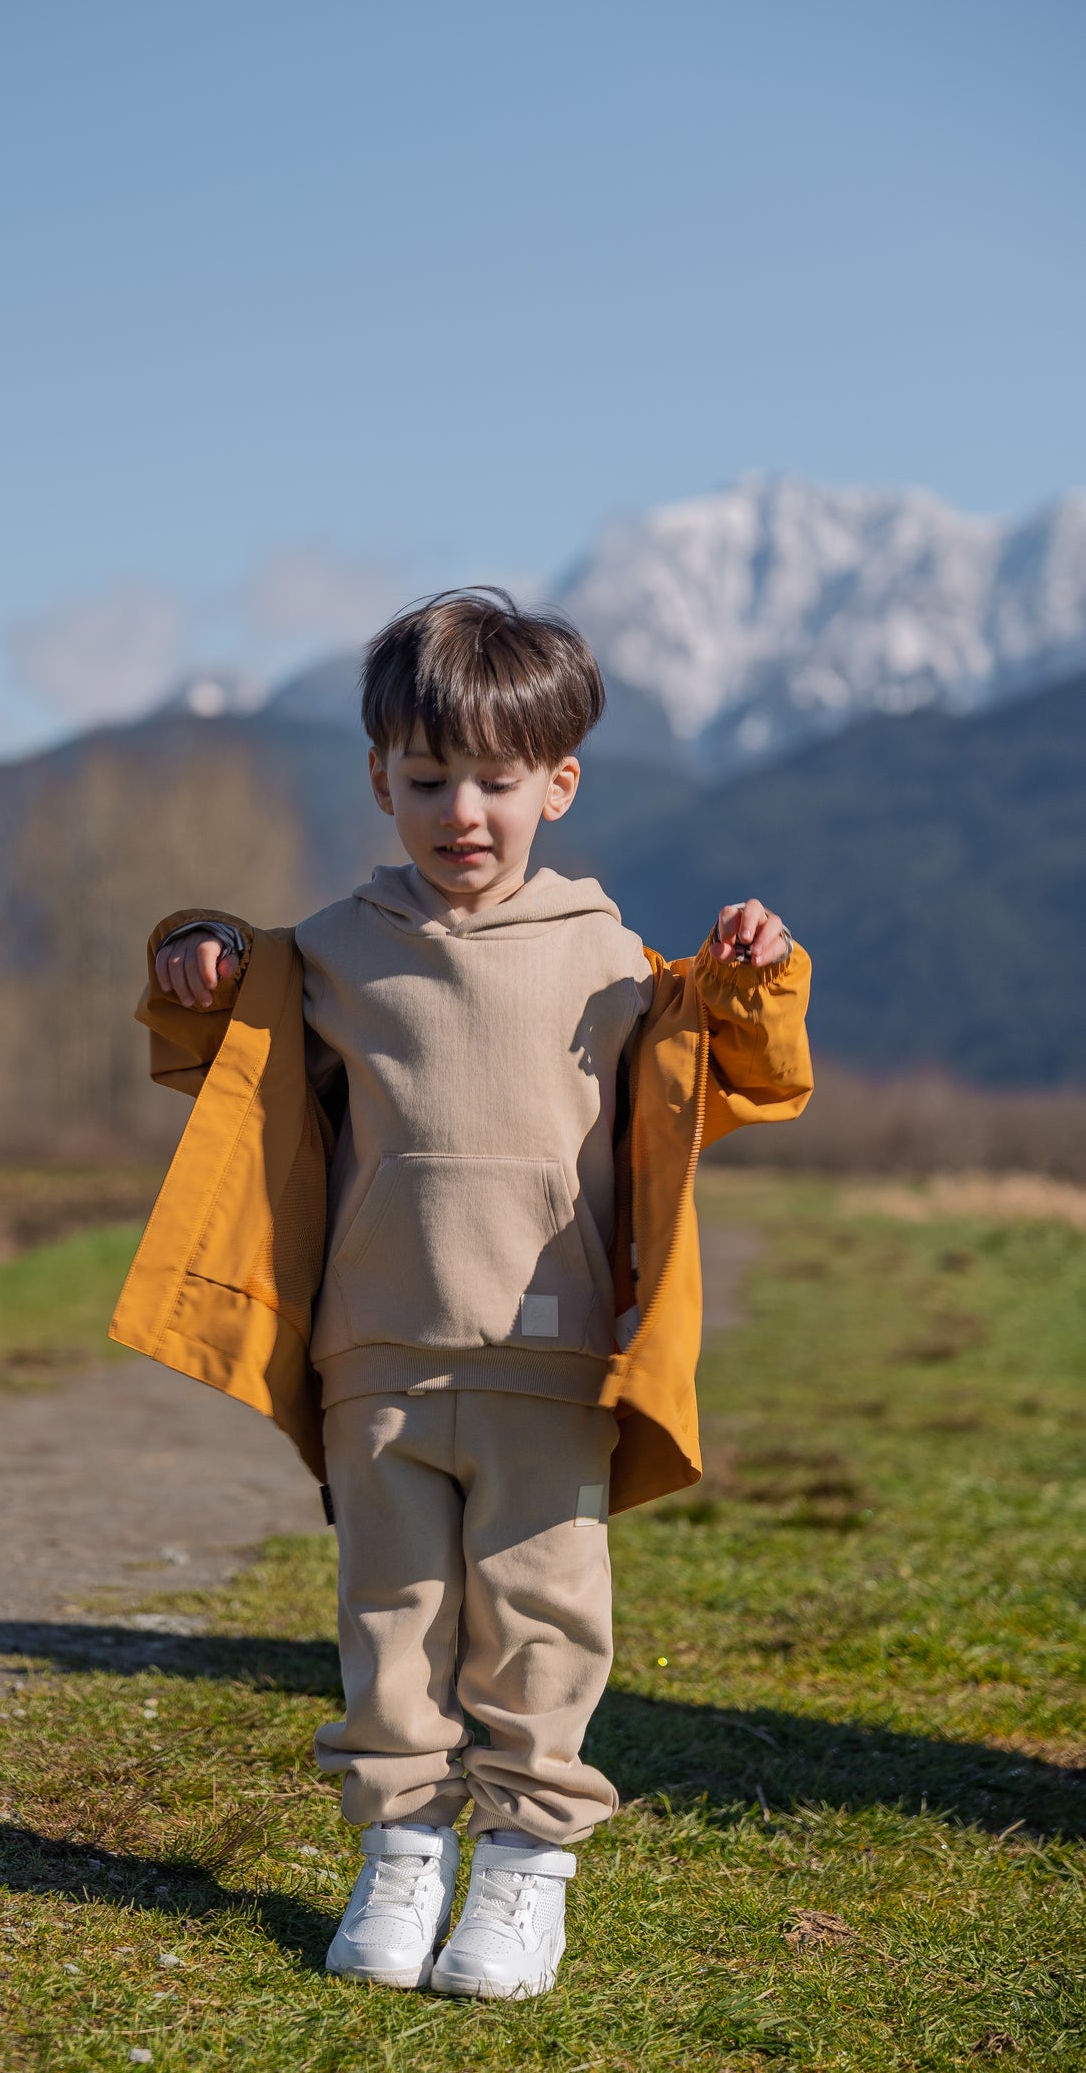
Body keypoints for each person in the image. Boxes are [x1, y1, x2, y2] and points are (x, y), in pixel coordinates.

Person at [110, 588, 812, 2000]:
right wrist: (192, 947)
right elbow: (221, 1030)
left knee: (542, 1618)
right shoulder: (331, 950)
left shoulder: (612, 963)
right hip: (374, 1353)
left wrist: (758, 972)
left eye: (496, 780)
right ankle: (401, 1852)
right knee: (391, 1614)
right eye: (428, 780)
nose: (462, 812)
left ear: (557, 783)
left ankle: (524, 1870)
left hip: (550, 1358)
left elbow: (750, 1065)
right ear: (379, 779)